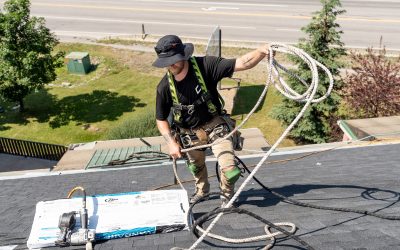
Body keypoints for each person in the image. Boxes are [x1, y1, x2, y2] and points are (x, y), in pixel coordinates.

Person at [153, 35, 270, 205]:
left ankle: (227, 193)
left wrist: (260, 52)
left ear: (183, 55)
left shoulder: (206, 66)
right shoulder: (164, 87)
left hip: (215, 125)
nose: (171, 65)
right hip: (188, 134)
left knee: (230, 170)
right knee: (195, 166)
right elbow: (161, 119)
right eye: (167, 62)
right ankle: (202, 190)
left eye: (174, 60)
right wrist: (171, 142)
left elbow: (242, 63)